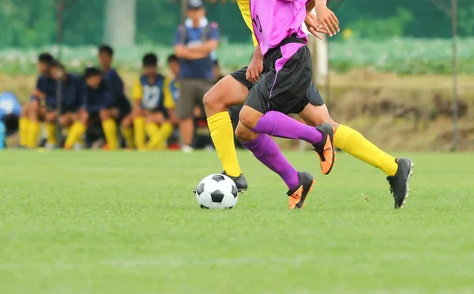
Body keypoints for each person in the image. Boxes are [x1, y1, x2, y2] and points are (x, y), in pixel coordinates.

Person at [202, 0, 413, 209]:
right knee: (228, 113)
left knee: (248, 118)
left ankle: (317, 140)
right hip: (272, 58)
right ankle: (392, 168)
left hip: (285, 58)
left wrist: (319, 8)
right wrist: (300, 15)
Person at [174, 0, 219, 152]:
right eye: (192, 10)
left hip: (205, 78)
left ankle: (215, 144)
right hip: (187, 78)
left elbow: (212, 46)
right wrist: (201, 52)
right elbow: (179, 52)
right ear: (188, 12)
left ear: (203, 11)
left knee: (211, 112)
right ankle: (187, 145)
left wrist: (190, 51)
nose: (195, 13)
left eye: (197, 9)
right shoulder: (182, 30)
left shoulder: (210, 28)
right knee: (185, 113)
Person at [66, 67, 124, 150]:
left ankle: (113, 145)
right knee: (84, 115)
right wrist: (93, 110)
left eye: (94, 77)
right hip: (94, 114)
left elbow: (108, 103)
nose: (93, 81)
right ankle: (68, 145)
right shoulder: (86, 89)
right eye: (90, 79)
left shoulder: (108, 85)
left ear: (99, 77)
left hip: (112, 113)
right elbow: (86, 106)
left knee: (104, 113)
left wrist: (95, 109)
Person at [131, 53, 176, 150]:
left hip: (161, 112)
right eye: (147, 67)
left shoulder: (164, 81)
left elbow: (169, 103)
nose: (149, 70)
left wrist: (169, 116)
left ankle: (147, 149)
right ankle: (144, 147)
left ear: (155, 67)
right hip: (145, 113)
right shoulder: (140, 80)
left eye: (151, 67)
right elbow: (137, 101)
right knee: (140, 121)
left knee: (167, 125)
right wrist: (144, 113)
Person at [98, 44, 133, 149]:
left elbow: (115, 96)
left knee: (107, 115)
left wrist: (110, 109)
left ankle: (115, 145)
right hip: (101, 109)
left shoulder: (114, 77)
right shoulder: (97, 75)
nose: (103, 60)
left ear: (111, 58)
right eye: (101, 57)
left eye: (105, 57)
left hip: (119, 109)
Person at [45, 61, 85, 149]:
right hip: (62, 113)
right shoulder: (55, 86)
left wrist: (74, 113)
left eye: (57, 71)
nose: (56, 75)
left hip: (77, 111)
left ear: (63, 70)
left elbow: (84, 98)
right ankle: (52, 142)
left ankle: (69, 145)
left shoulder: (77, 80)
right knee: (50, 117)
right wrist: (56, 112)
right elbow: (52, 103)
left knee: (83, 116)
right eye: (53, 73)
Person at [20, 52, 55, 148]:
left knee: (33, 109)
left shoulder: (56, 79)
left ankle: (31, 144)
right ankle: (24, 143)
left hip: (53, 109)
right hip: (42, 108)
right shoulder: (41, 79)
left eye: (40, 65)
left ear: (47, 65)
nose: (38, 67)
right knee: (26, 109)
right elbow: (35, 95)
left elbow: (58, 100)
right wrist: (35, 100)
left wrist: (43, 97)